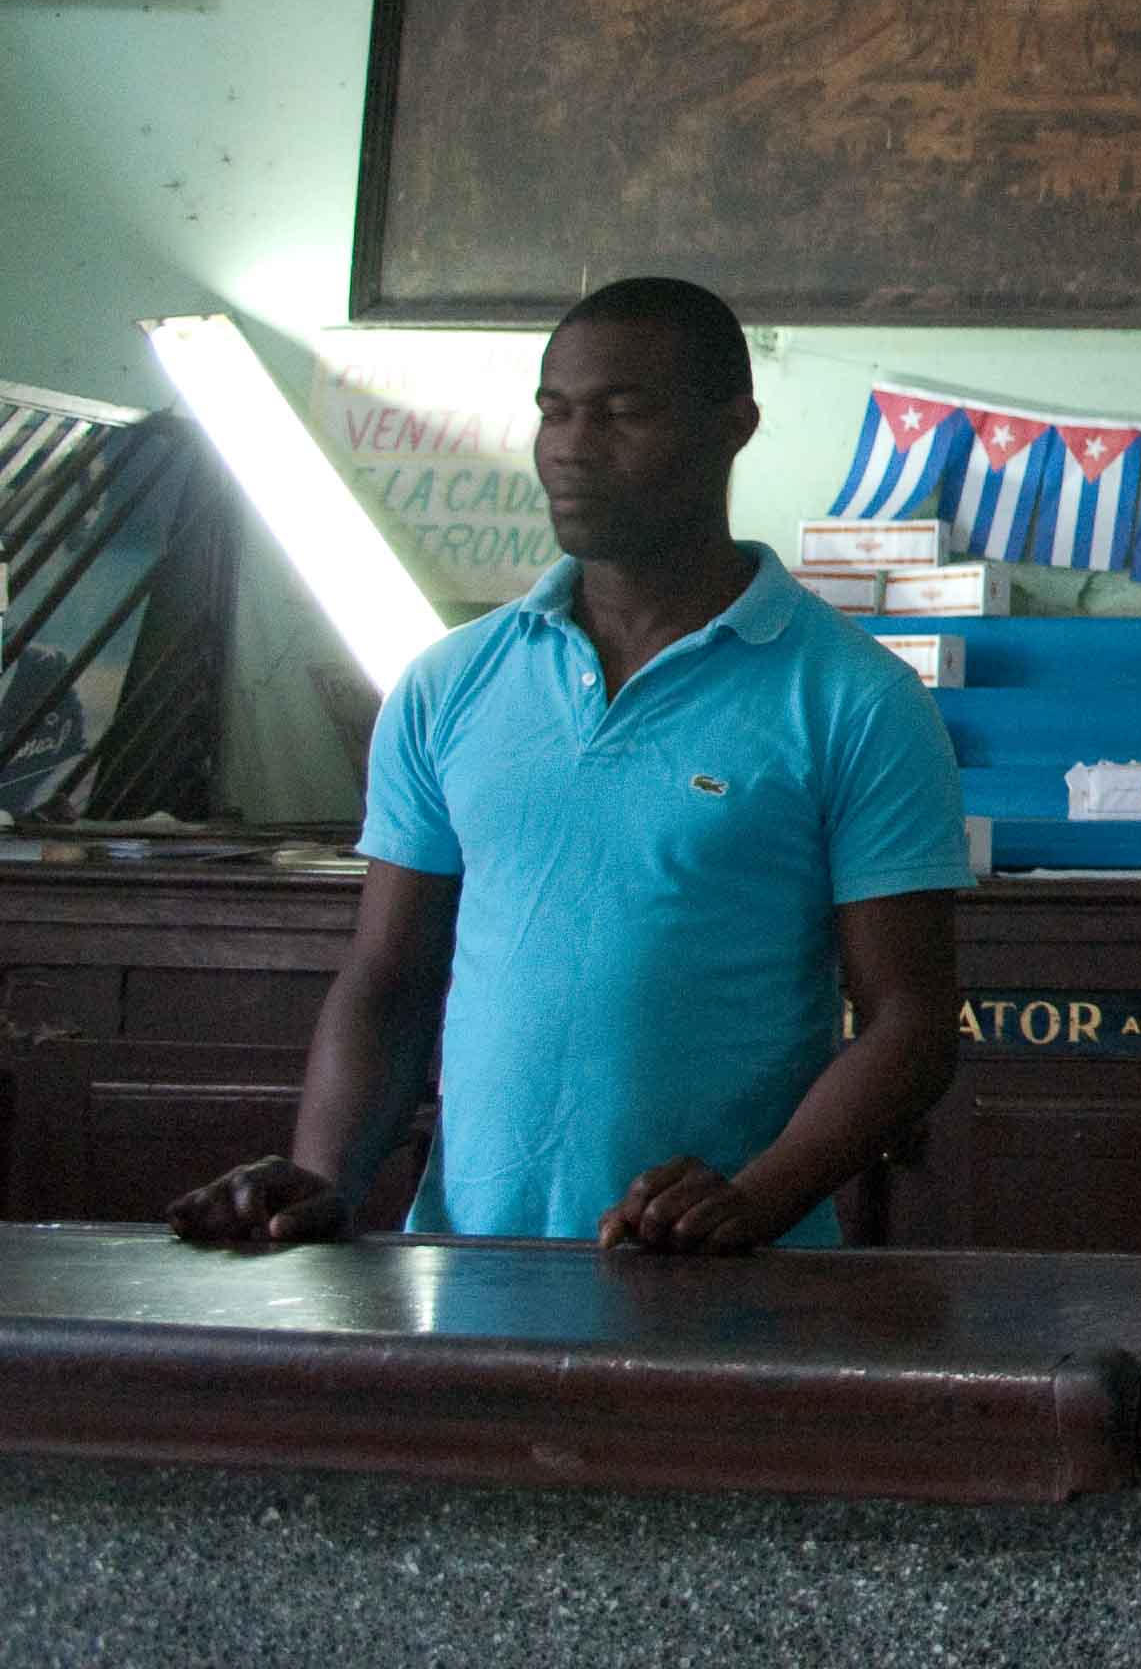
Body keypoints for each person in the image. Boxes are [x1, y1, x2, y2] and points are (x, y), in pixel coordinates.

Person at [169, 278, 968, 1253]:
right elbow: (389, 978)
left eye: (623, 413)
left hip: (725, 1283)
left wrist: (754, 1200)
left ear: (734, 427)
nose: (573, 448)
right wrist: (322, 1182)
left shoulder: (855, 699)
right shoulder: (449, 683)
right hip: (468, 1272)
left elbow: (911, 1021)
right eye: (555, 411)